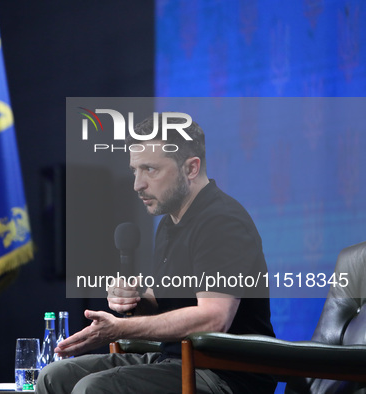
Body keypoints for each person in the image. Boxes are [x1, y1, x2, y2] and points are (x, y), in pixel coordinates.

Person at [36, 115, 276, 394]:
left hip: (226, 374)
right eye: (135, 170)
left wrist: (121, 329)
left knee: (95, 388)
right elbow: (169, 300)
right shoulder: (168, 222)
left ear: (191, 168)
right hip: (175, 359)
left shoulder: (221, 221)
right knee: (54, 377)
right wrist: (136, 299)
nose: (137, 184)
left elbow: (214, 318)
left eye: (150, 169)